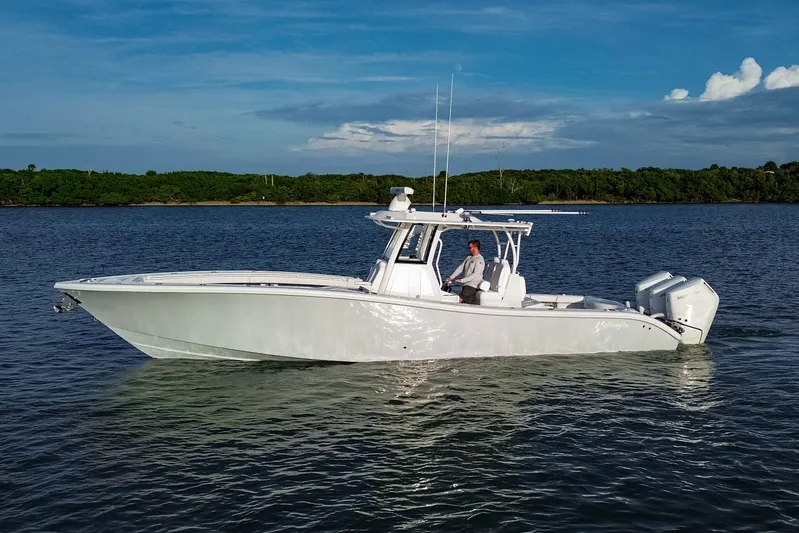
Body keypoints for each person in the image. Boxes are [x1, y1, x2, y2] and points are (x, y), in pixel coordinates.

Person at [446, 239, 485, 304]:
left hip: (472, 286)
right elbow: (461, 268)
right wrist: (451, 277)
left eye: (470, 247)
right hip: (466, 285)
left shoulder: (479, 260)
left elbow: (475, 274)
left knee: (458, 300)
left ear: (475, 248)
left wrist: (462, 280)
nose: (469, 249)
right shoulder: (469, 257)